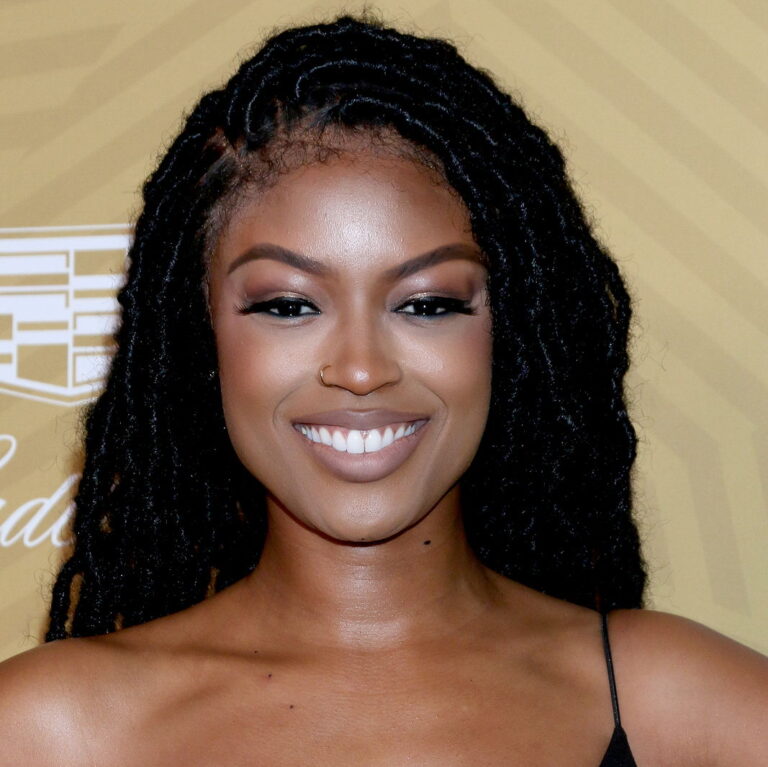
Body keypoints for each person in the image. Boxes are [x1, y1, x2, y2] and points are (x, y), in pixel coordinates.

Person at [0, 12, 765, 766]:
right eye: (288, 305)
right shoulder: (49, 730)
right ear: (202, 335)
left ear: (512, 332)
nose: (362, 369)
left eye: (427, 304)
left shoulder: (682, 707)